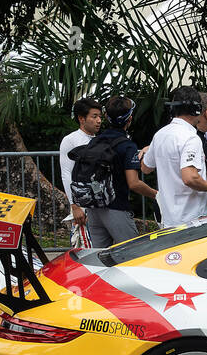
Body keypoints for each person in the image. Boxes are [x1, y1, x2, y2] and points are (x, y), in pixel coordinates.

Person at [139, 85, 207, 226]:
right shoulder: (191, 138)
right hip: (191, 220)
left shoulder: (160, 134)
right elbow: (190, 178)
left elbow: (145, 168)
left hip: (167, 218)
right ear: (197, 109)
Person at [77, 96, 156, 247]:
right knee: (133, 255)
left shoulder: (95, 141)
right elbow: (134, 183)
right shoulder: (127, 146)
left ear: (106, 117)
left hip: (94, 209)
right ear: (130, 119)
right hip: (117, 208)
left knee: (100, 258)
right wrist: (157, 195)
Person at [59, 97, 103, 244]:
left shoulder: (100, 140)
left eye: (100, 117)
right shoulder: (70, 140)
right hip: (82, 202)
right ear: (81, 119)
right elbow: (66, 173)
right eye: (94, 116)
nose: (98, 121)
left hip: (101, 202)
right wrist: (75, 206)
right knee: (84, 246)